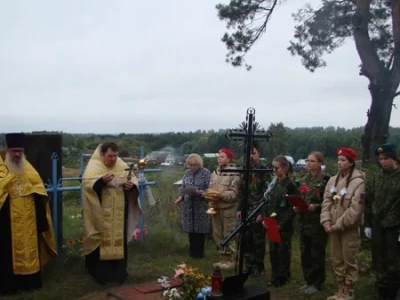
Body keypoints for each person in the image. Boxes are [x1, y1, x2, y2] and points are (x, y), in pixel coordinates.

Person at [0, 133, 57, 295]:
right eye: (14, 151)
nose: (17, 154)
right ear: (7, 150)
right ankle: (10, 285)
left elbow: (38, 189)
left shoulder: (28, 168)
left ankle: (30, 283)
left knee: (30, 250)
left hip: (29, 219)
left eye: (20, 151)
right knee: (8, 253)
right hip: (8, 221)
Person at [81, 141, 142, 286]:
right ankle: (101, 274)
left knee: (118, 242)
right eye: (110, 156)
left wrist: (131, 186)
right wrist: (101, 181)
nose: (113, 159)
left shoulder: (121, 164)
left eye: (115, 155)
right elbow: (87, 184)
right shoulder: (94, 166)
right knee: (100, 240)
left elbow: (132, 178)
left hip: (119, 214)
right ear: (102, 154)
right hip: (100, 214)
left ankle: (119, 274)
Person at [320, 147, 365, 300]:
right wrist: (326, 221)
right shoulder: (333, 180)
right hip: (332, 227)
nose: (339, 163)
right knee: (337, 258)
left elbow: (355, 208)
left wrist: (338, 224)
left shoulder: (358, 182)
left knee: (349, 258)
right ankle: (340, 288)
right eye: (338, 160)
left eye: (343, 160)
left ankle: (348, 290)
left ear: (351, 163)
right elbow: (326, 201)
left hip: (348, 228)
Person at [364, 143, 400, 300]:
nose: (383, 162)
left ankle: (392, 295)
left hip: (395, 226)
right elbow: (369, 199)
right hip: (378, 225)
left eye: (386, 158)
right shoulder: (377, 176)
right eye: (380, 159)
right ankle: (381, 294)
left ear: (394, 158)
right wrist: (367, 223)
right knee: (379, 261)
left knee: (394, 264)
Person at [294, 151, 329, 294]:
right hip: (304, 220)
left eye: (313, 161)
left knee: (317, 253)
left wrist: (317, 207)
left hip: (317, 221)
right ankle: (308, 280)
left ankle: (318, 282)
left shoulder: (326, 180)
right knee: (305, 252)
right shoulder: (304, 178)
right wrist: (297, 206)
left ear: (320, 163)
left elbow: (329, 201)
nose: (309, 163)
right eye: (308, 161)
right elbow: (301, 195)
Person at [262, 155, 299, 287]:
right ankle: (274, 276)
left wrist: (282, 224)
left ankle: (283, 277)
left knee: (283, 251)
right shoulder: (274, 183)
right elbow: (268, 201)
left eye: (276, 168)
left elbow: (292, 208)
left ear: (284, 168)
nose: (274, 170)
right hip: (272, 222)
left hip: (283, 225)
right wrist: (265, 218)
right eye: (273, 167)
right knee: (273, 251)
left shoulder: (290, 185)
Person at [236, 142, 270, 278]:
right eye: (248, 153)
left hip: (258, 210)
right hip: (246, 209)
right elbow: (242, 192)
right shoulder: (245, 170)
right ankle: (249, 266)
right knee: (246, 239)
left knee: (258, 241)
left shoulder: (263, 171)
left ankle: (258, 267)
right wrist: (240, 209)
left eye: (253, 153)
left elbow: (267, 194)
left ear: (259, 154)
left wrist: (262, 213)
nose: (251, 156)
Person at [208, 148, 240, 270]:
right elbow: (211, 188)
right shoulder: (215, 172)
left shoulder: (234, 173)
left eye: (222, 156)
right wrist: (210, 197)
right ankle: (223, 259)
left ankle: (231, 260)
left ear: (229, 159)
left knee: (228, 234)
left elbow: (234, 194)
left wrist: (220, 195)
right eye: (218, 157)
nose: (219, 159)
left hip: (227, 209)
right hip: (215, 208)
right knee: (217, 235)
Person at [175, 153, 211, 259]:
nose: (193, 167)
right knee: (191, 231)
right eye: (191, 165)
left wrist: (199, 193)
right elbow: (183, 187)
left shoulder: (206, 173)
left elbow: (209, 189)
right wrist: (180, 197)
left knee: (200, 232)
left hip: (201, 206)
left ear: (199, 164)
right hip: (189, 207)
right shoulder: (187, 173)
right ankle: (192, 254)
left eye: (195, 165)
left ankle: (199, 254)